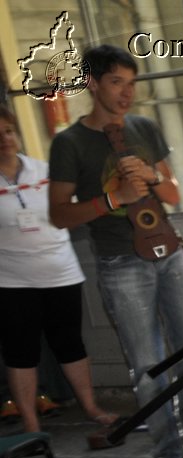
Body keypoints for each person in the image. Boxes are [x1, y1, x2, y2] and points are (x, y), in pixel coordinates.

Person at [48, 44, 183, 458]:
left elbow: (173, 193)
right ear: (91, 83)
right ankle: (166, 456)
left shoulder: (145, 127)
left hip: (171, 253)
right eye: (116, 83)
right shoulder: (70, 142)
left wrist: (153, 178)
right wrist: (113, 198)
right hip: (120, 263)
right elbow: (58, 214)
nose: (127, 93)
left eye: (131, 83)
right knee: (148, 366)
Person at [0, 103, 115, 433]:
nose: (5, 139)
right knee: (20, 352)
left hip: (60, 274)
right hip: (11, 282)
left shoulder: (45, 170)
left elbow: (73, 210)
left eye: (9, 131)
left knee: (71, 344)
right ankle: (31, 425)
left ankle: (91, 408)